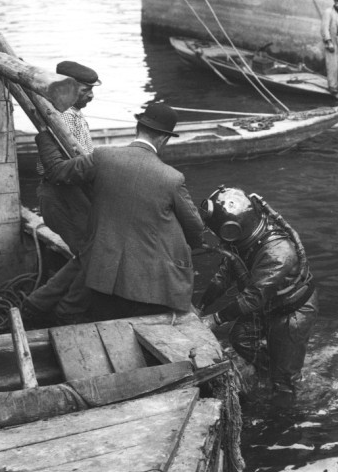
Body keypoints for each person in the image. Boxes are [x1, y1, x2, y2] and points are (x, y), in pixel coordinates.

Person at [26, 102, 206, 325]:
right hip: (142, 280)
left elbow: (56, 172)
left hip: (101, 267)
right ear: (164, 139)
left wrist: (44, 135)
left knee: (85, 284)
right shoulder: (172, 178)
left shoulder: (103, 157)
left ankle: (39, 310)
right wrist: (194, 244)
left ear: (137, 129)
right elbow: (195, 227)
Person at [198, 186, 318, 409]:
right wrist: (201, 307)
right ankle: (273, 369)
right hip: (269, 304)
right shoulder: (243, 240)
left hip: (292, 313)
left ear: (232, 229)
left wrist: (214, 320)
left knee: (283, 384)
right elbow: (225, 274)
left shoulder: (278, 252)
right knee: (241, 338)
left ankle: (287, 407)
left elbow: (253, 298)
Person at [22, 61, 99, 325]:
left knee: (88, 252)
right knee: (93, 254)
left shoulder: (72, 114)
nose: (91, 95)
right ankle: (64, 309)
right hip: (60, 195)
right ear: (69, 87)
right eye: (86, 90)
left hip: (70, 194)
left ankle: (38, 304)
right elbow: (64, 168)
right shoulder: (62, 116)